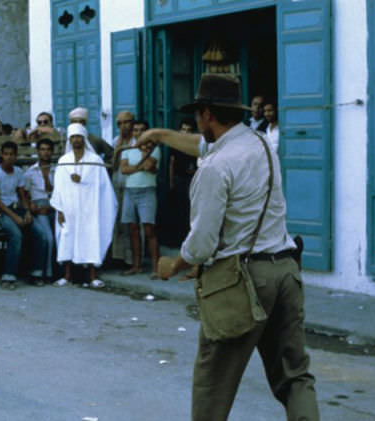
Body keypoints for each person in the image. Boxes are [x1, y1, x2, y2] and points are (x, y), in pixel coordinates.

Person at [146, 74, 320, 420]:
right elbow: (202, 143)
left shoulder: (215, 167)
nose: (197, 121)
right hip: (285, 270)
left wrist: (175, 264)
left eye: (199, 114)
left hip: (242, 279)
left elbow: (202, 241)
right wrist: (161, 136)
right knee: (295, 377)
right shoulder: (262, 145)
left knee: (213, 383)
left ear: (207, 113)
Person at [50, 123, 117, 288]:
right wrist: (59, 209)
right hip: (69, 208)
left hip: (90, 209)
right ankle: (67, 275)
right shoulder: (63, 161)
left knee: (91, 237)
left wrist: (84, 181)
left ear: (84, 138)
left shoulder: (95, 161)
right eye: (72, 137)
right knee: (67, 238)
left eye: (78, 136)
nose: (76, 140)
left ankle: (93, 277)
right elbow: (58, 188)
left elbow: (102, 186)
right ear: (69, 140)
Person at [0, 141, 33, 290]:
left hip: (16, 207)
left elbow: (22, 195)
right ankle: (8, 275)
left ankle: (37, 272)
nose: (9, 157)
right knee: (16, 235)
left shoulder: (18, 172)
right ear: (1, 155)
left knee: (39, 231)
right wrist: (16, 218)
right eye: (6, 154)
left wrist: (27, 212)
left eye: (12, 154)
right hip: (1, 210)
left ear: (16, 156)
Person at [120, 122, 160, 279]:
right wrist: (139, 166)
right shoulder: (128, 149)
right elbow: (124, 170)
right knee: (133, 229)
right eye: (135, 130)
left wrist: (139, 161)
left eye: (142, 130)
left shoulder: (154, 149)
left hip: (147, 191)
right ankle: (136, 266)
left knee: (149, 229)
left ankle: (156, 268)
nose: (138, 133)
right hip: (130, 191)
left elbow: (150, 166)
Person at [23, 138, 56, 285]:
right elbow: (24, 193)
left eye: (48, 149)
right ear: (38, 152)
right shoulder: (31, 172)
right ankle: (41, 273)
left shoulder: (58, 170)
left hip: (55, 206)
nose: (45, 152)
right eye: (42, 149)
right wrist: (31, 207)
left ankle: (57, 272)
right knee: (47, 238)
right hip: (39, 208)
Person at [110, 110, 136, 266]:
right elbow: (113, 166)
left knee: (131, 222)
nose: (123, 126)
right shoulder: (115, 141)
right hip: (117, 182)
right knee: (118, 220)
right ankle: (118, 256)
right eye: (119, 123)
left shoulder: (136, 141)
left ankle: (132, 257)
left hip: (133, 184)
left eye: (126, 122)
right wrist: (117, 151)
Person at [167, 119, 197, 245]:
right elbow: (171, 163)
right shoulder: (176, 144)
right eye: (184, 129)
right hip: (179, 179)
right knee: (179, 209)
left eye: (189, 130)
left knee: (191, 209)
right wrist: (171, 182)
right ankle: (179, 239)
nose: (186, 132)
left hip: (192, 180)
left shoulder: (196, 145)